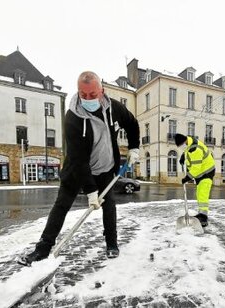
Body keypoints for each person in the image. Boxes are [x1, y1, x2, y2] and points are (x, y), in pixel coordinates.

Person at [20, 71, 140, 265]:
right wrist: (91, 191)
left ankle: (112, 244)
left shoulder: (114, 108)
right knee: (61, 206)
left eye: (93, 94)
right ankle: (42, 249)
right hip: (77, 170)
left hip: (105, 168)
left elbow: (132, 124)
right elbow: (78, 159)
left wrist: (134, 147)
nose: (88, 99)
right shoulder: (73, 117)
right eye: (83, 95)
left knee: (109, 206)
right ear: (78, 91)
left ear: (102, 91)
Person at [175, 133, 215, 227]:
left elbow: (196, 169)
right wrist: (183, 156)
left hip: (206, 172)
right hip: (201, 173)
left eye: (181, 145)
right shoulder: (190, 143)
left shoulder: (195, 149)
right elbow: (187, 151)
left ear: (184, 141)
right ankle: (201, 214)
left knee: (202, 194)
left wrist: (187, 178)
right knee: (199, 194)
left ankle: (204, 218)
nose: (181, 147)